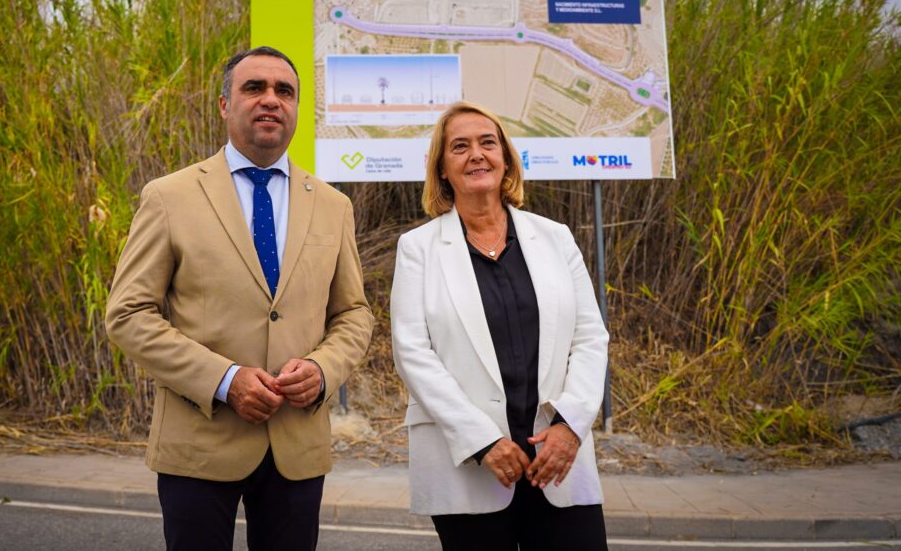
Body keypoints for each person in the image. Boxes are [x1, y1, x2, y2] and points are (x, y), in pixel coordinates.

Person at [106, 46, 374, 551]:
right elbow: (128, 314)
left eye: (284, 91)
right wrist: (225, 381)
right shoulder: (169, 197)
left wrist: (322, 370)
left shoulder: (333, 206)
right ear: (225, 105)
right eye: (255, 88)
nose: (271, 99)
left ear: (296, 109)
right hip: (199, 442)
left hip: (297, 445)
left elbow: (353, 313)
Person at [390, 101, 610, 550]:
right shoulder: (418, 248)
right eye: (460, 147)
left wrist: (570, 426)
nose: (476, 154)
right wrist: (482, 441)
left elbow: (590, 337)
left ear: (506, 159)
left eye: (487, 143)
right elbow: (412, 353)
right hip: (469, 465)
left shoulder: (555, 237)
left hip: (558, 459)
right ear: (442, 169)